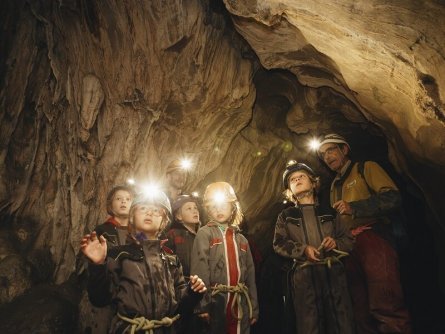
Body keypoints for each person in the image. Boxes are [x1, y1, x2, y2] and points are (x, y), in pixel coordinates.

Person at [317, 133, 411, 334]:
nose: (327, 157)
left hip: (373, 238)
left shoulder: (365, 168)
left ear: (344, 149)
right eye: (323, 154)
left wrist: (355, 207)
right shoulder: (334, 185)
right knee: (360, 312)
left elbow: (392, 197)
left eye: (331, 150)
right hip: (349, 247)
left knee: (385, 302)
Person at [81, 190, 207, 334]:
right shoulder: (120, 255)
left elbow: (180, 308)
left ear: (164, 221)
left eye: (156, 210)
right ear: (132, 217)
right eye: (143, 208)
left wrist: (193, 292)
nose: (149, 213)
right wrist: (98, 265)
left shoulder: (171, 259)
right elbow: (100, 299)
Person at [273, 160, 355, 334]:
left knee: (342, 324)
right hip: (304, 279)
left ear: (313, 182)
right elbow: (279, 243)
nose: (297, 180)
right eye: (292, 180)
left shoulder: (330, 212)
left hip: (334, 276)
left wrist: (336, 244)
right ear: (289, 191)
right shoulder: (286, 216)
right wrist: (303, 250)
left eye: (301, 176)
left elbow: (348, 239)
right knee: (309, 326)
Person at [191, 182, 259, 334]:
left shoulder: (242, 240)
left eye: (223, 205)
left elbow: (250, 276)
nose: (218, 209)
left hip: (240, 302)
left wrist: (253, 307)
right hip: (216, 302)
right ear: (208, 210)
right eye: (213, 206)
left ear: (232, 207)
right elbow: (200, 269)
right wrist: (203, 305)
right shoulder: (204, 234)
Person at [165, 194, 203, 333]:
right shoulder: (173, 235)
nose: (194, 211)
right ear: (179, 216)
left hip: (203, 288)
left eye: (195, 208)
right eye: (188, 208)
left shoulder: (204, 235)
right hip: (182, 290)